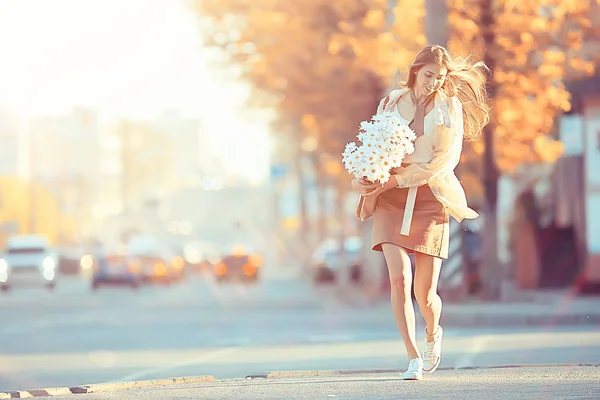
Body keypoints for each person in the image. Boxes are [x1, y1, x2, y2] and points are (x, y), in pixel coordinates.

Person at [351, 45, 489, 380]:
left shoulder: (449, 107)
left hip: (430, 197)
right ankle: (412, 356)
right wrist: (367, 174)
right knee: (399, 279)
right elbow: (376, 145)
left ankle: (432, 333)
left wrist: (397, 179)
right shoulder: (391, 101)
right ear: (416, 71)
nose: (433, 83)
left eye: (439, 78)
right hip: (390, 198)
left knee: (425, 295)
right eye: (428, 75)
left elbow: (442, 162)